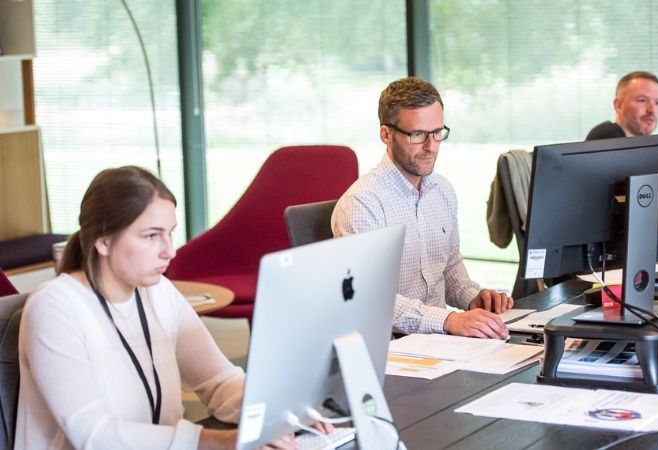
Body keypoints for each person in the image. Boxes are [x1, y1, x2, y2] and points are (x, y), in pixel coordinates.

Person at [15, 166, 327, 450]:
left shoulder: (158, 292)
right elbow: (94, 436)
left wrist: (284, 412)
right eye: (151, 236)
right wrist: (221, 443)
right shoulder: (55, 307)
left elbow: (219, 381)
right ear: (103, 241)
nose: (169, 251)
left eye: (170, 233)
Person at [332, 77, 513, 339]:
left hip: (440, 341)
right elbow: (370, 298)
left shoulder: (442, 191)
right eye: (417, 134)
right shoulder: (362, 204)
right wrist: (448, 320)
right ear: (386, 134)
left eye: (437, 133)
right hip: (393, 347)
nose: (431, 147)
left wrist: (474, 298)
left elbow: (449, 267)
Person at [586, 71, 658, 140]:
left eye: (657, 103)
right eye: (642, 100)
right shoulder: (607, 136)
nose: (652, 110)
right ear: (619, 106)